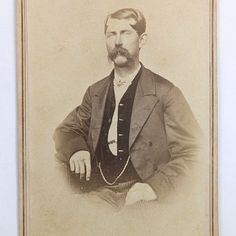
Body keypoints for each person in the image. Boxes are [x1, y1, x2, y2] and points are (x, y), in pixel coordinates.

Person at [53, 8, 202, 208]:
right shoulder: (95, 92)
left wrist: (154, 187)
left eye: (125, 33)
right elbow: (66, 130)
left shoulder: (166, 92)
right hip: (96, 191)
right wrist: (76, 150)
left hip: (142, 193)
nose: (118, 42)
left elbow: (195, 152)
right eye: (111, 34)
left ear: (141, 40)